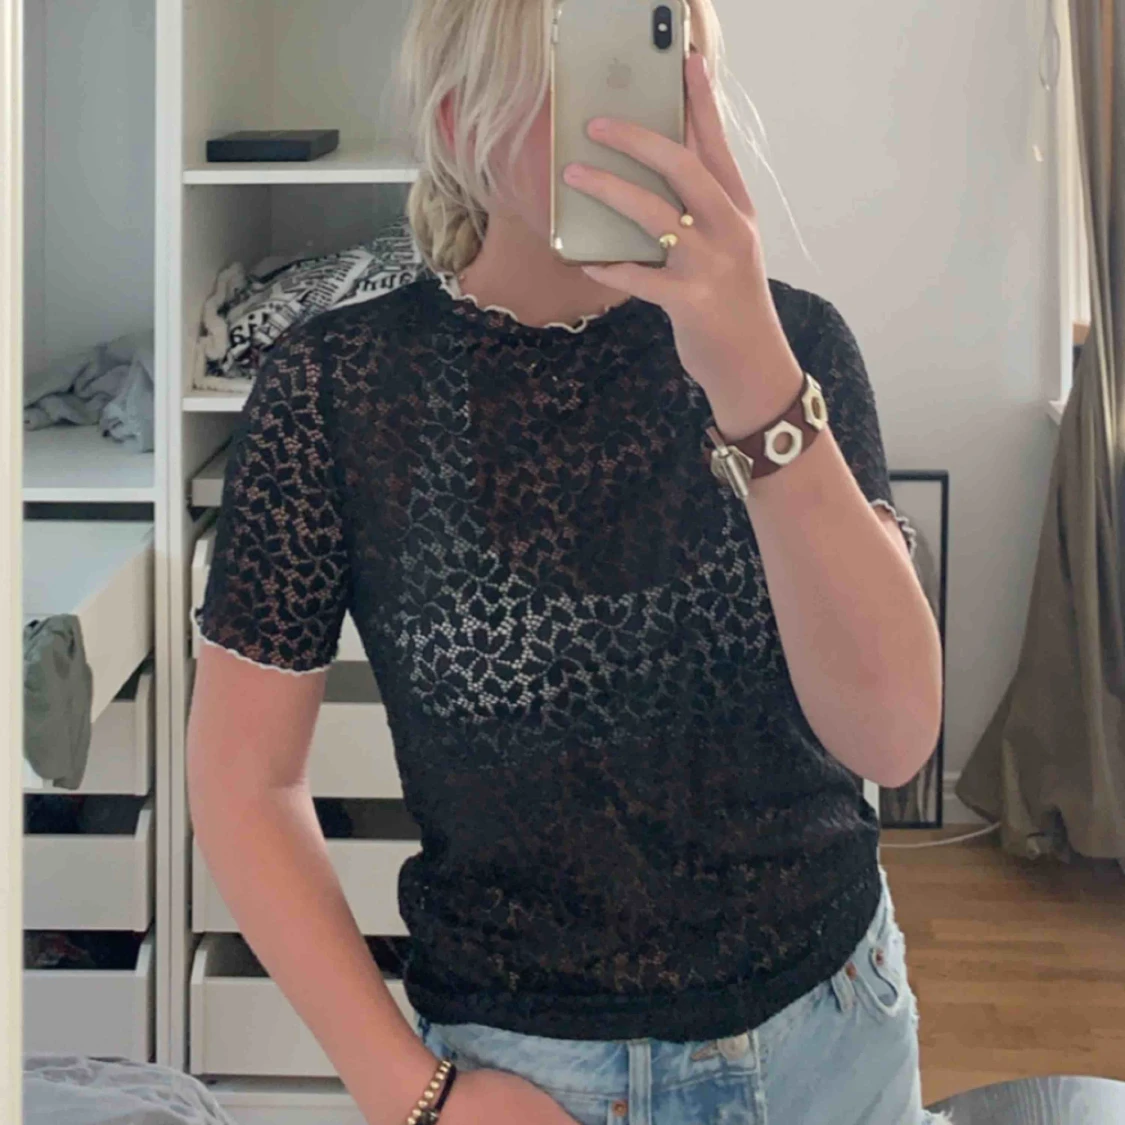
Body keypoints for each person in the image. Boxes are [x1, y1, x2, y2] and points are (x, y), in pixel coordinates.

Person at [186, 1, 949, 1123]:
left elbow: (892, 735)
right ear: (463, 119)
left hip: (833, 1040)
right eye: (583, 68)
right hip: (528, 1082)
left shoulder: (797, 347)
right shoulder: (337, 391)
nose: (635, 117)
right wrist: (413, 1094)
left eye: (663, 60)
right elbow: (242, 782)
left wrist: (754, 379)